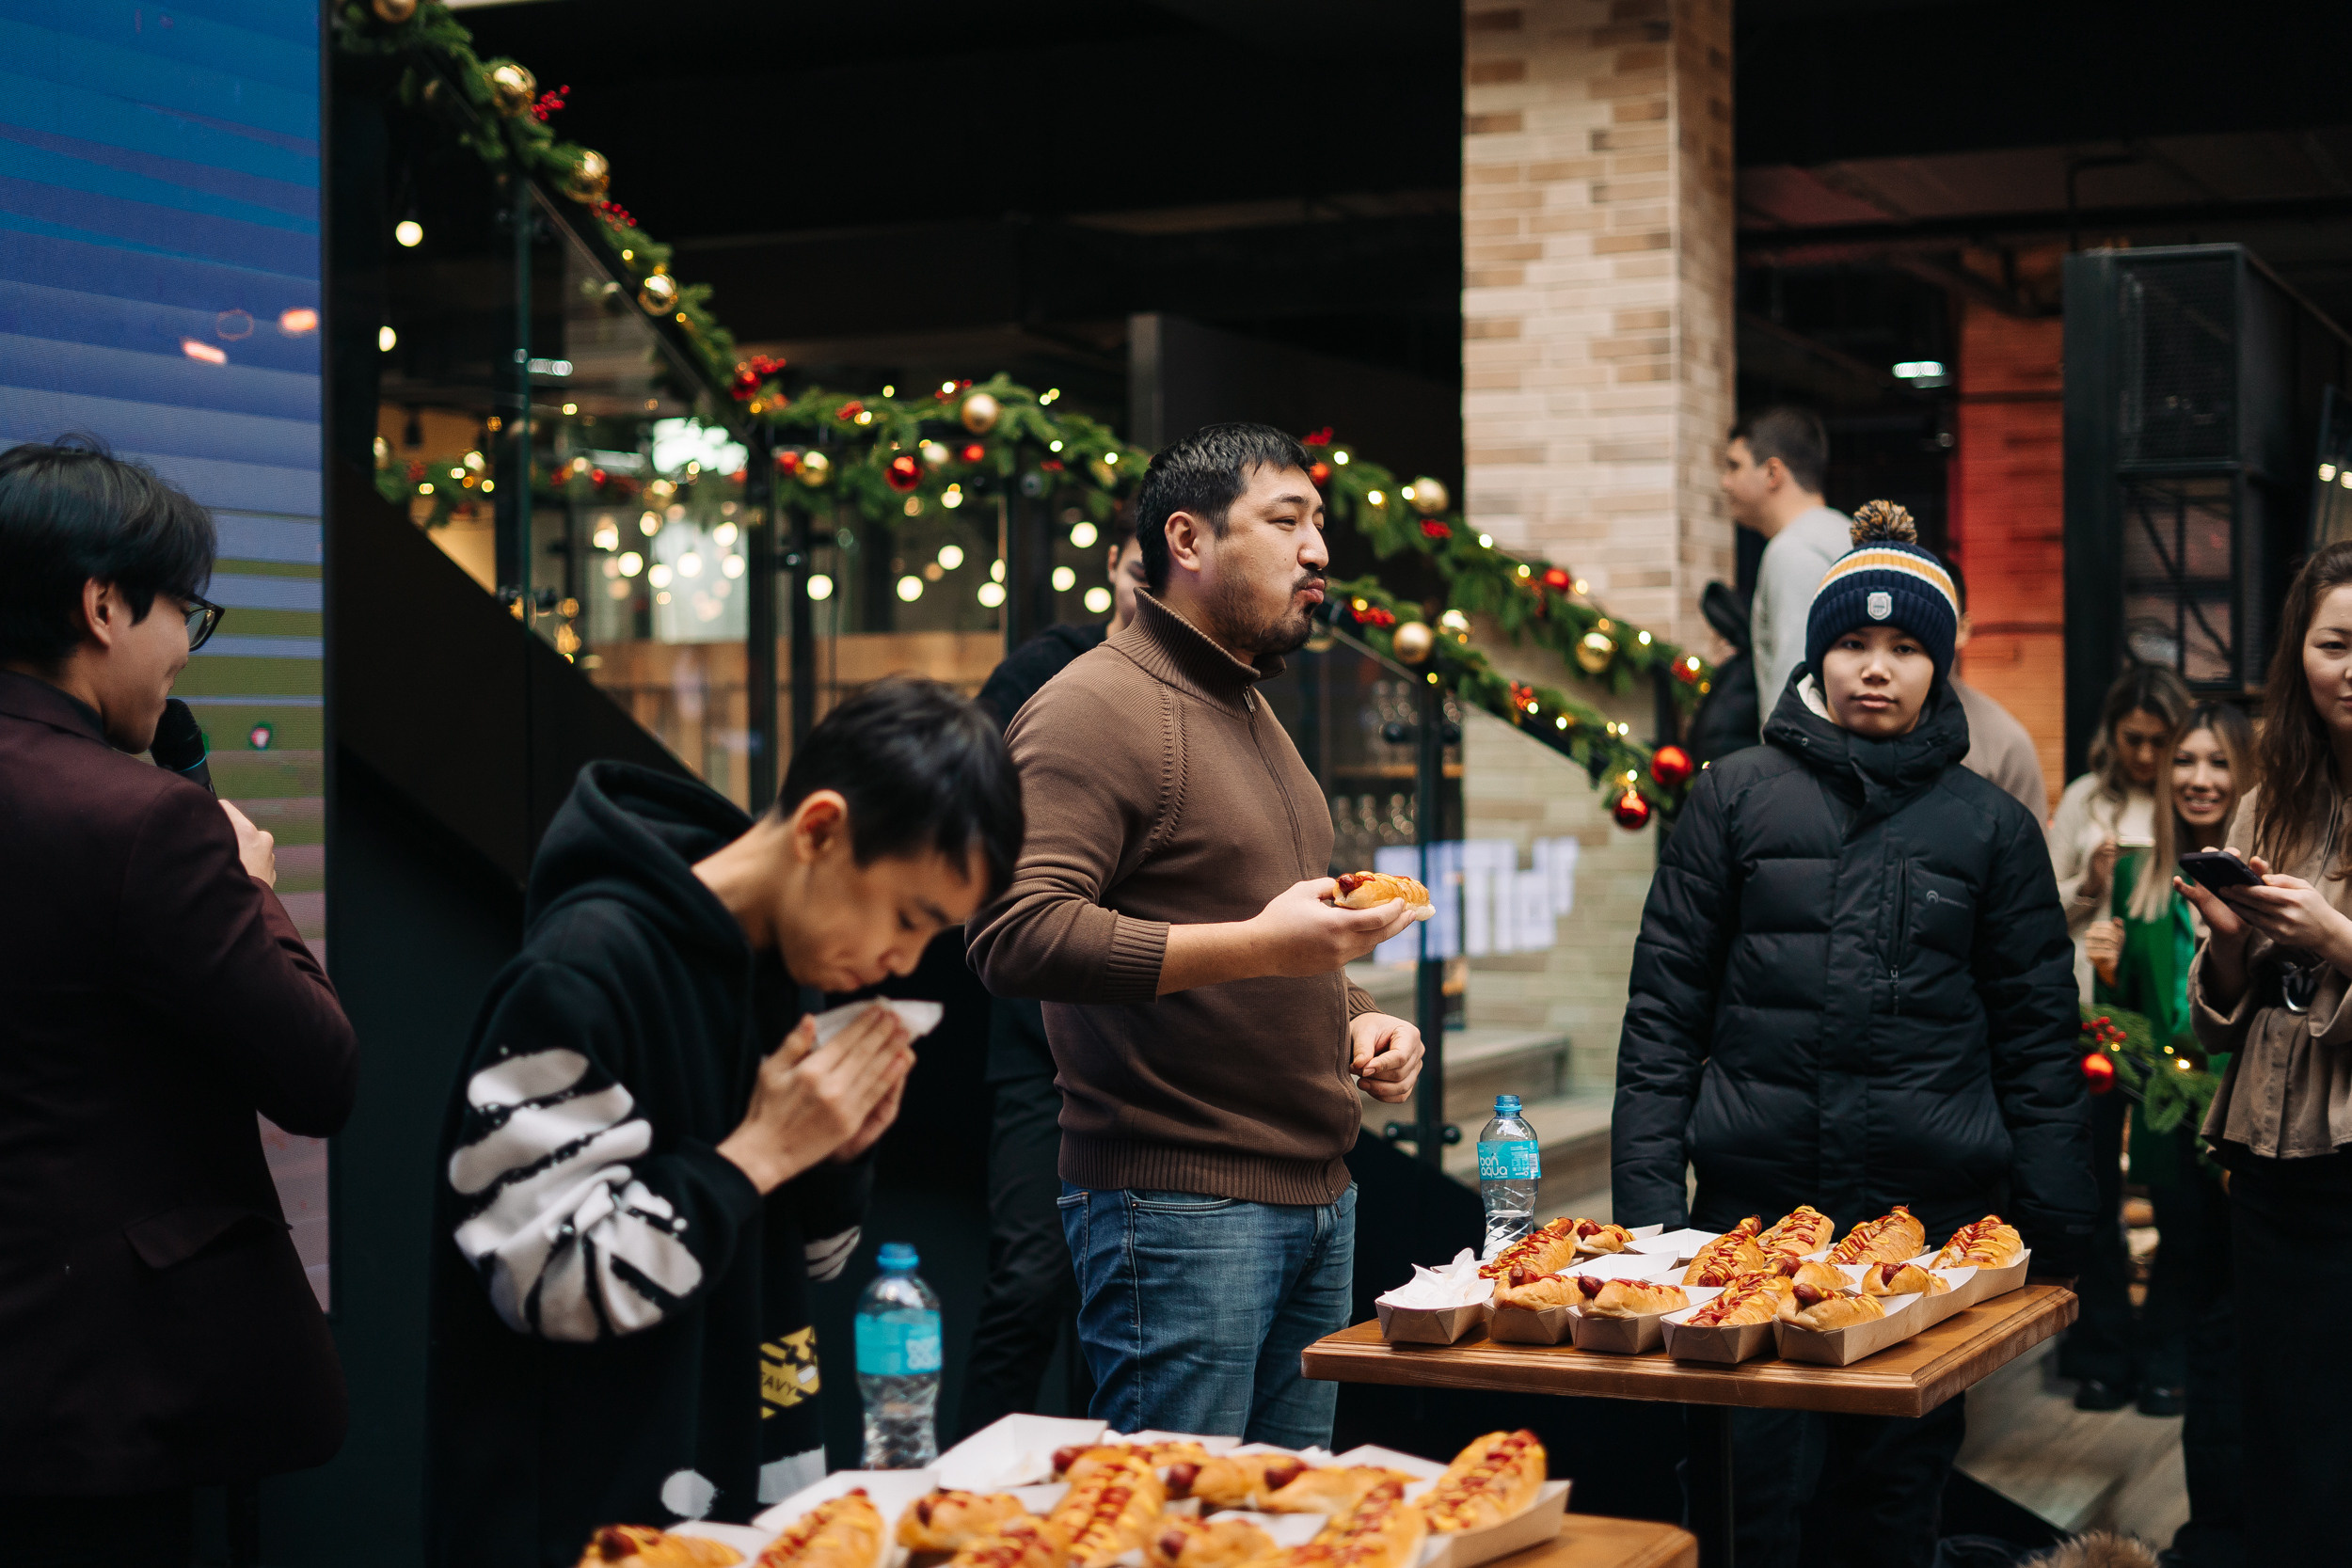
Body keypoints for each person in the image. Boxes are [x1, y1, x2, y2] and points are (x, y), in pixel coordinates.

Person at [426, 676, 1023, 1566]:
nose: (903, 959)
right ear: (819, 829)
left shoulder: (780, 966)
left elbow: (801, 1259)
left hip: (743, 1504)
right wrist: (759, 1153)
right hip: (587, 1527)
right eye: (908, 917)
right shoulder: (582, 970)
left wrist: (835, 1155)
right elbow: (547, 1278)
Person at [1613, 501, 2092, 1568]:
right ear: (1816, 655)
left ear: (1941, 666)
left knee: (1891, 1508)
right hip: (1747, 1230)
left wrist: (2060, 1231)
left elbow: (2037, 1040)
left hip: (1924, 1237)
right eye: (1854, 643)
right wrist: (1649, 1219)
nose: (1876, 667)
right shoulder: (1730, 799)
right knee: (1745, 1503)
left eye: (1906, 647)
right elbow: (1662, 1018)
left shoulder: (1993, 827)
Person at [968, 422, 1426, 1448]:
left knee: (1279, 1520)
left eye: (1319, 524)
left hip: (1314, 1197)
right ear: (1187, 539)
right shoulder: (1093, 707)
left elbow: (1252, 920)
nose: (1318, 550)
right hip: (1179, 1211)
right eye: (1286, 521)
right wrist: (1264, 946)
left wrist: (1355, 1013)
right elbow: (1012, 932)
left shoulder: (1246, 705)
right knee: (1170, 1519)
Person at [0, 439, 358, 1563]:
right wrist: (251, 886)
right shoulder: (147, 818)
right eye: (183, 615)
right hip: (101, 1403)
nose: (180, 655)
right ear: (104, 604)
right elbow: (319, 1075)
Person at [2179, 539, 2352, 1567]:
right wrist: (2233, 945)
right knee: (2280, 1432)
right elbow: (2217, 1023)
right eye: (2335, 643)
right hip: (2269, 1165)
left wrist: (2333, 935)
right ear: (2300, 656)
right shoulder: (2265, 803)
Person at [959, 520, 1146, 1436]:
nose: (1151, 591)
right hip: (1038, 1044)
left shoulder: (1205, 689)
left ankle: (1093, 1484)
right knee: (1030, 1278)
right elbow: (964, 800)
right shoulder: (1046, 670)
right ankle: (957, 1479)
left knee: (1114, 1296)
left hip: (1141, 1046)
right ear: (1113, 564)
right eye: (1140, 569)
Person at [2082, 703, 2250, 1564]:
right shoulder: (2135, 875)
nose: (2198, 777)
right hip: (2169, 1113)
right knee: (2190, 1273)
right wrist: (2108, 974)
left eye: (2217, 761)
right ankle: (2174, 1390)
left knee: (2243, 1304)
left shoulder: (2272, 870)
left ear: (2244, 771)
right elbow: (2116, 1021)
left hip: (2249, 1126)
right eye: (2185, 760)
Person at [2049, 663, 2192, 1412]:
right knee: (2092, 1188)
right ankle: (2102, 1348)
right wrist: (2089, 883)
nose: (2144, 755)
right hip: (2092, 1027)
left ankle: (2168, 1347)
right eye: (2133, 739)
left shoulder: (2193, 801)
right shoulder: (2086, 800)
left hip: (2169, 1030)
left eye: (2159, 741)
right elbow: (2037, 911)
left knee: (2177, 1189)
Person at [1720, 406, 1851, 708]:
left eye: (1735, 466)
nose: (1725, 482)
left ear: (1772, 473)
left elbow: (1795, 690)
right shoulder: (1842, 533)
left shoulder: (1794, 552)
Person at [1940, 552, 2049, 824]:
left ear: (1963, 628)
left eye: (1936, 619)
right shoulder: (1852, 722)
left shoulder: (2004, 744)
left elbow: (2028, 847)